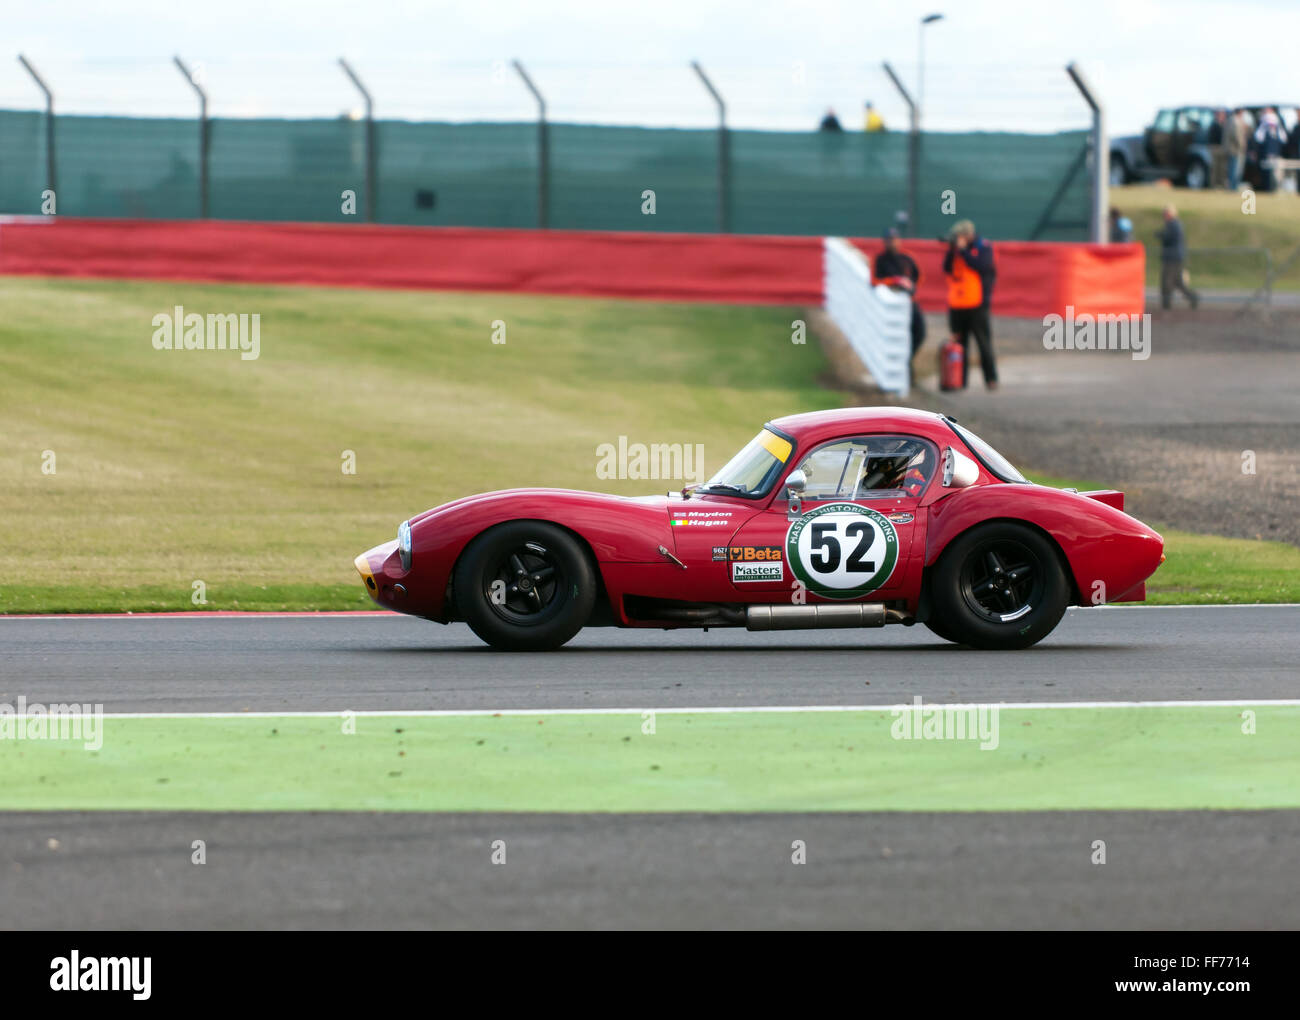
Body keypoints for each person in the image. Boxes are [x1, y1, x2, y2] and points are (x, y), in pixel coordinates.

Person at [942, 219, 998, 390]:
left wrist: (964, 251)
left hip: (977, 305)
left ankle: (991, 379)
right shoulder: (955, 251)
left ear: (968, 235)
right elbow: (947, 268)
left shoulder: (983, 247)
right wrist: (953, 250)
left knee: (983, 343)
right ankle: (959, 381)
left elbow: (981, 266)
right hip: (957, 305)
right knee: (960, 345)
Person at [873, 227, 926, 370]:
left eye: (894, 239)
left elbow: (919, 277)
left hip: (910, 302)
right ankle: (903, 369)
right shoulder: (880, 259)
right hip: (891, 305)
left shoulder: (907, 257)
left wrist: (911, 286)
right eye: (889, 240)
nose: (892, 243)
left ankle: (906, 361)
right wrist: (894, 281)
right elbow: (874, 281)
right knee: (896, 337)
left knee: (919, 333)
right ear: (884, 242)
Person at [1156, 204, 1198, 310]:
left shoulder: (1173, 225)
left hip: (1172, 258)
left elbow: (1168, 238)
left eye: (1165, 214)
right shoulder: (1174, 224)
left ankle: (1166, 303)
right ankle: (1192, 297)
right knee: (1178, 282)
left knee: (1166, 281)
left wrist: (1160, 235)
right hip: (1175, 257)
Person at [1254, 108, 1287, 192]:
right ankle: (1267, 189)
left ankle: (1276, 189)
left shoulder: (1278, 132)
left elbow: (1284, 139)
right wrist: (1263, 126)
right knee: (1266, 175)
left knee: (1276, 176)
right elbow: (1258, 138)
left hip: (1276, 156)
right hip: (1266, 157)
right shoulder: (1264, 131)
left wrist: (1278, 126)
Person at [1225, 108, 1249, 191]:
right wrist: (1243, 145)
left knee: (1235, 169)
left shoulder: (1236, 120)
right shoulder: (1234, 121)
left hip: (1236, 150)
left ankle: (1234, 186)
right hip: (1235, 150)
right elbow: (1236, 135)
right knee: (1234, 170)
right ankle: (1233, 187)